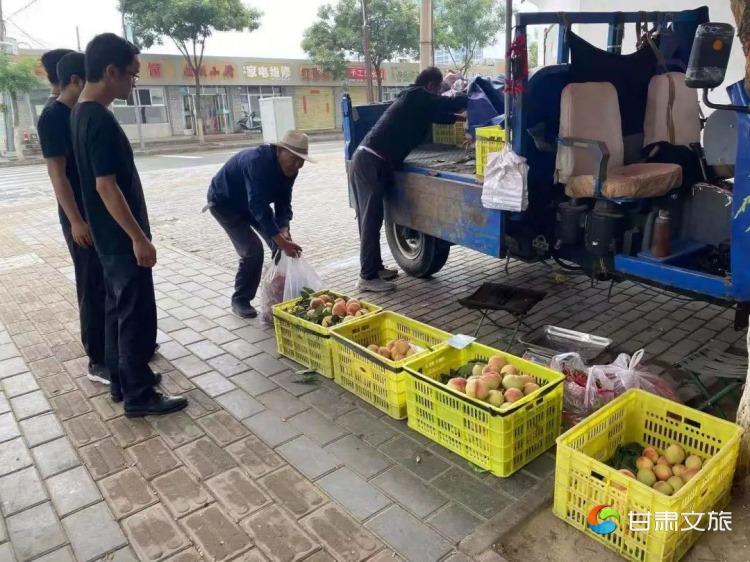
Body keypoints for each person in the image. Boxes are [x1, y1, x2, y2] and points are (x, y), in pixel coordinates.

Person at [71, 33, 186, 417]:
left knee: (115, 310)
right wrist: (138, 238)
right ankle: (139, 396)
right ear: (111, 72)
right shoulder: (99, 120)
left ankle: (123, 381)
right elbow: (106, 186)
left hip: (107, 237)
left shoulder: (80, 113)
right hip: (121, 239)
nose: (135, 82)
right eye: (132, 74)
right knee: (134, 314)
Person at [350, 67, 468, 292]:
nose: (438, 94)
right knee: (370, 220)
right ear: (431, 86)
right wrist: (474, 93)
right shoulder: (415, 95)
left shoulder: (417, 102)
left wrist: (460, 117)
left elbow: (442, 116)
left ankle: (375, 268)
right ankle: (367, 277)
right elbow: (447, 104)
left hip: (375, 162)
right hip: (369, 161)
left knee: (375, 217)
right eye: (438, 90)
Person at [37, 52, 108, 385]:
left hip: (98, 210)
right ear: (76, 81)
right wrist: (76, 221)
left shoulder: (80, 111)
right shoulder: (53, 117)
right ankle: (98, 359)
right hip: (79, 215)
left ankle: (117, 347)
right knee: (91, 283)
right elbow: (58, 174)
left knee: (106, 281)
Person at [206, 130, 311, 318]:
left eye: (301, 160)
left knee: (280, 246)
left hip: (251, 204)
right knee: (253, 250)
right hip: (225, 203)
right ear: (280, 150)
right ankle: (240, 299)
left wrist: (284, 230)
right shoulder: (257, 163)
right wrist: (281, 240)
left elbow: (283, 201)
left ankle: (277, 295)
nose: (297, 164)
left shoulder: (290, 170)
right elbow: (258, 206)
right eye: (294, 158)